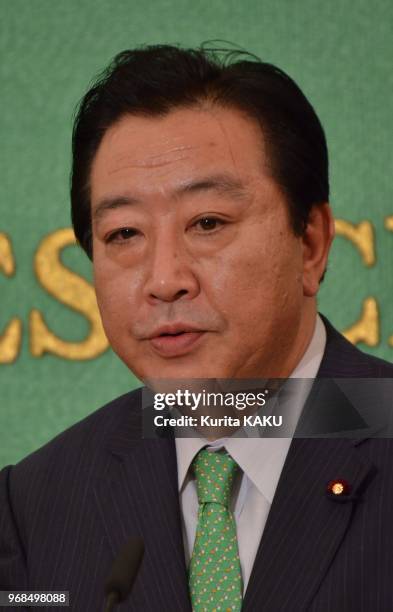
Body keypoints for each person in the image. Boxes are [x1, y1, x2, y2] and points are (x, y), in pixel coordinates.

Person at [1, 44, 392, 612]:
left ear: (311, 243)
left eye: (208, 223)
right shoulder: (35, 506)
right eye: (124, 235)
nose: (164, 280)